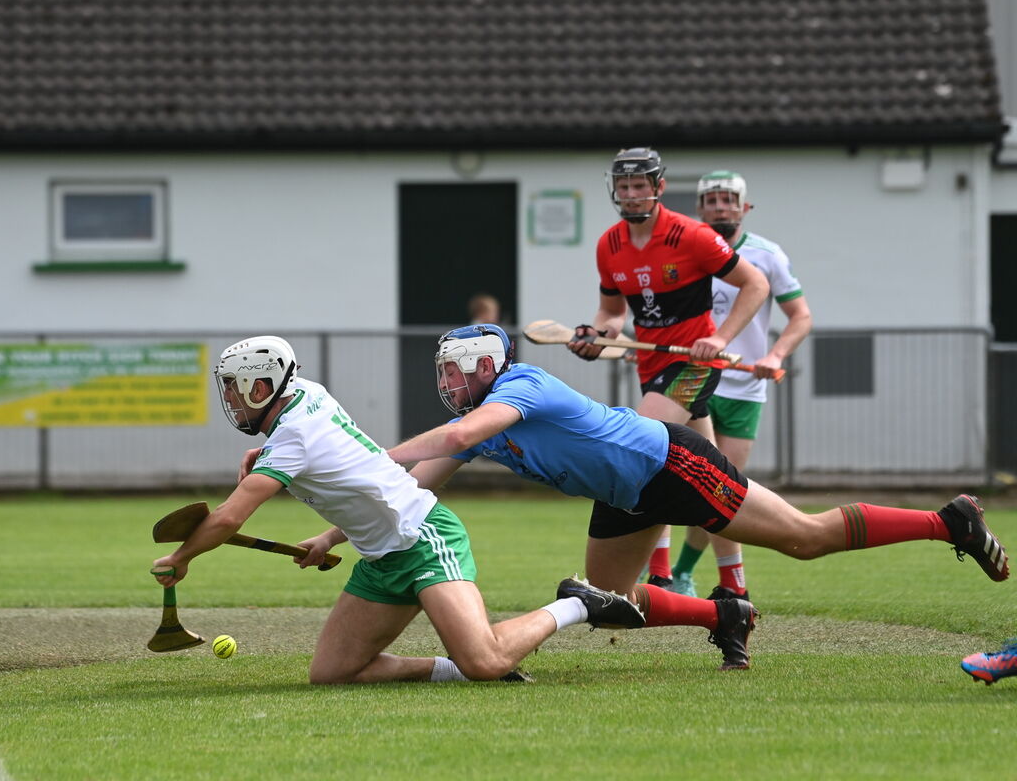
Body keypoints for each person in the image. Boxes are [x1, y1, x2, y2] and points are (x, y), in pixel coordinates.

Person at [387, 323, 1011, 670]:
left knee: (806, 538)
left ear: (490, 366)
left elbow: (458, 435)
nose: (447, 381)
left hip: (669, 462)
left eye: (457, 368)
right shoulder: (477, 424)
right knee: (608, 601)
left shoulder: (519, 387)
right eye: (443, 370)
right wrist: (334, 531)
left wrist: (378, 453)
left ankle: (947, 522)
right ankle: (726, 614)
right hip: (625, 495)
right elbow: (411, 487)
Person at [152, 335, 644, 685]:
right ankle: (450, 666)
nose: (233, 401)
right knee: (333, 674)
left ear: (263, 388)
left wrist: (183, 558)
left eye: (238, 389)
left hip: (424, 538)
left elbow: (230, 518)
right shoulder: (306, 393)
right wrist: (328, 537)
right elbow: (357, 474)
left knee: (488, 661)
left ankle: (579, 602)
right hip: (382, 556)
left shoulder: (292, 438)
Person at [568, 148, 770, 590]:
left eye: (640, 186)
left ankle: (647, 576)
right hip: (652, 366)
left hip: (693, 366)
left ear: (659, 188)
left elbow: (756, 284)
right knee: (717, 484)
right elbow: (611, 313)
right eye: (624, 187)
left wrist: (719, 339)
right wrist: (596, 335)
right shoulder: (609, 245)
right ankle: (735, 590)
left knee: (636, 446)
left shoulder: (693, 236)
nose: (631, 195)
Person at [670, 170, 813, 601]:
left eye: (728, 199)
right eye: (711, 200)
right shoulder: (684, 250)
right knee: (690, 483)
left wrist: (774, 356)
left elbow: (800, 316)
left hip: (747, 390)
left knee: (721, 492)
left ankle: (681, 572)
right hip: (697, 382)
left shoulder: (767, 255)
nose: (719, 207)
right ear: (699, 208)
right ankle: (668, 574)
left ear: (745, 207)